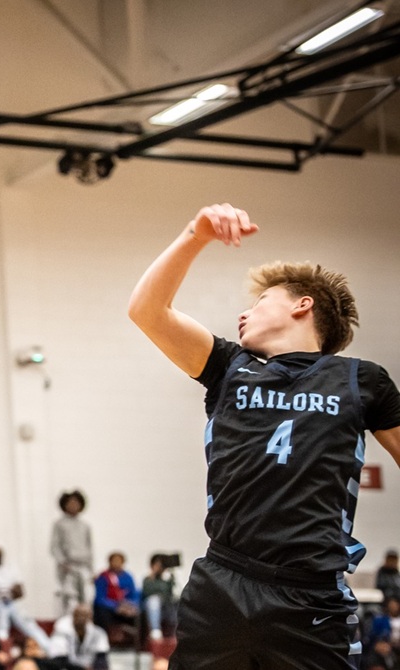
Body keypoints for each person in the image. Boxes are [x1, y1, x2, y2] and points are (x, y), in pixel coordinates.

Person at [128, 203, 400, 668]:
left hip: (311, 594)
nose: (242, 313)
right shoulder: (229, 369)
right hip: (223, 582)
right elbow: (147, 311)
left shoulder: (362, 380)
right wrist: (197, 234)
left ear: (302, 304)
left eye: (259, 302)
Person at [0, 547, 50, 651]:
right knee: (1, 625)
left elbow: (20, 592)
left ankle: (48, 648)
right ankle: (3, 649)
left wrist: (1, 590)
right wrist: (6, 590)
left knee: (29, 626)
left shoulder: (11, 568)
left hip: (13, 603)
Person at [49, 490, 93, 616]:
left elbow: (90, 549)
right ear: (64, 505)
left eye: (76, 503)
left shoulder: (85, 526)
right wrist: (62, 562)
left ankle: (84, 628)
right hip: (68, 567)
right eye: (70, 503)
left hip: (83, 566)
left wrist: (91, 570)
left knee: (86, 598)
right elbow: (54, 546)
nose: (73, 506)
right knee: (70, 599)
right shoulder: (59, 524)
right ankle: (69, 628)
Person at [48, 603, 110, 670]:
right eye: (78, 614)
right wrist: (82, 668)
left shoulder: (99, 633)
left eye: (85, 615)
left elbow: (101, 658)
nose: (81, 618)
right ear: (73, 615)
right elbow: (59, 660)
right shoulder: (61, 631)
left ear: (90, 617)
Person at [92, 552, 139, 632]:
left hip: (126, 608)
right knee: (101, 611)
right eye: (114, 561)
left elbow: (133, 594)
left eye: (119, 561)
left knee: (139, 614)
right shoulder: (103, 577)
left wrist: (130, 606)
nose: (117, 563)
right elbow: (100, 599)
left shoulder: (128, 577)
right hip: (110, 609)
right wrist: (116, 607)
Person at [140, 554, 177, 641]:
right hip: (152, 608)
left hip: (167, 607)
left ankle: (178, 631)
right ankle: (155, 630)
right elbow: (147, 592)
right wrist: (153, 573)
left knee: (178, 601)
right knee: (154, 600)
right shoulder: (147, 579)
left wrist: (170, 578)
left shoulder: (167, 580)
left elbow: (171, 594)